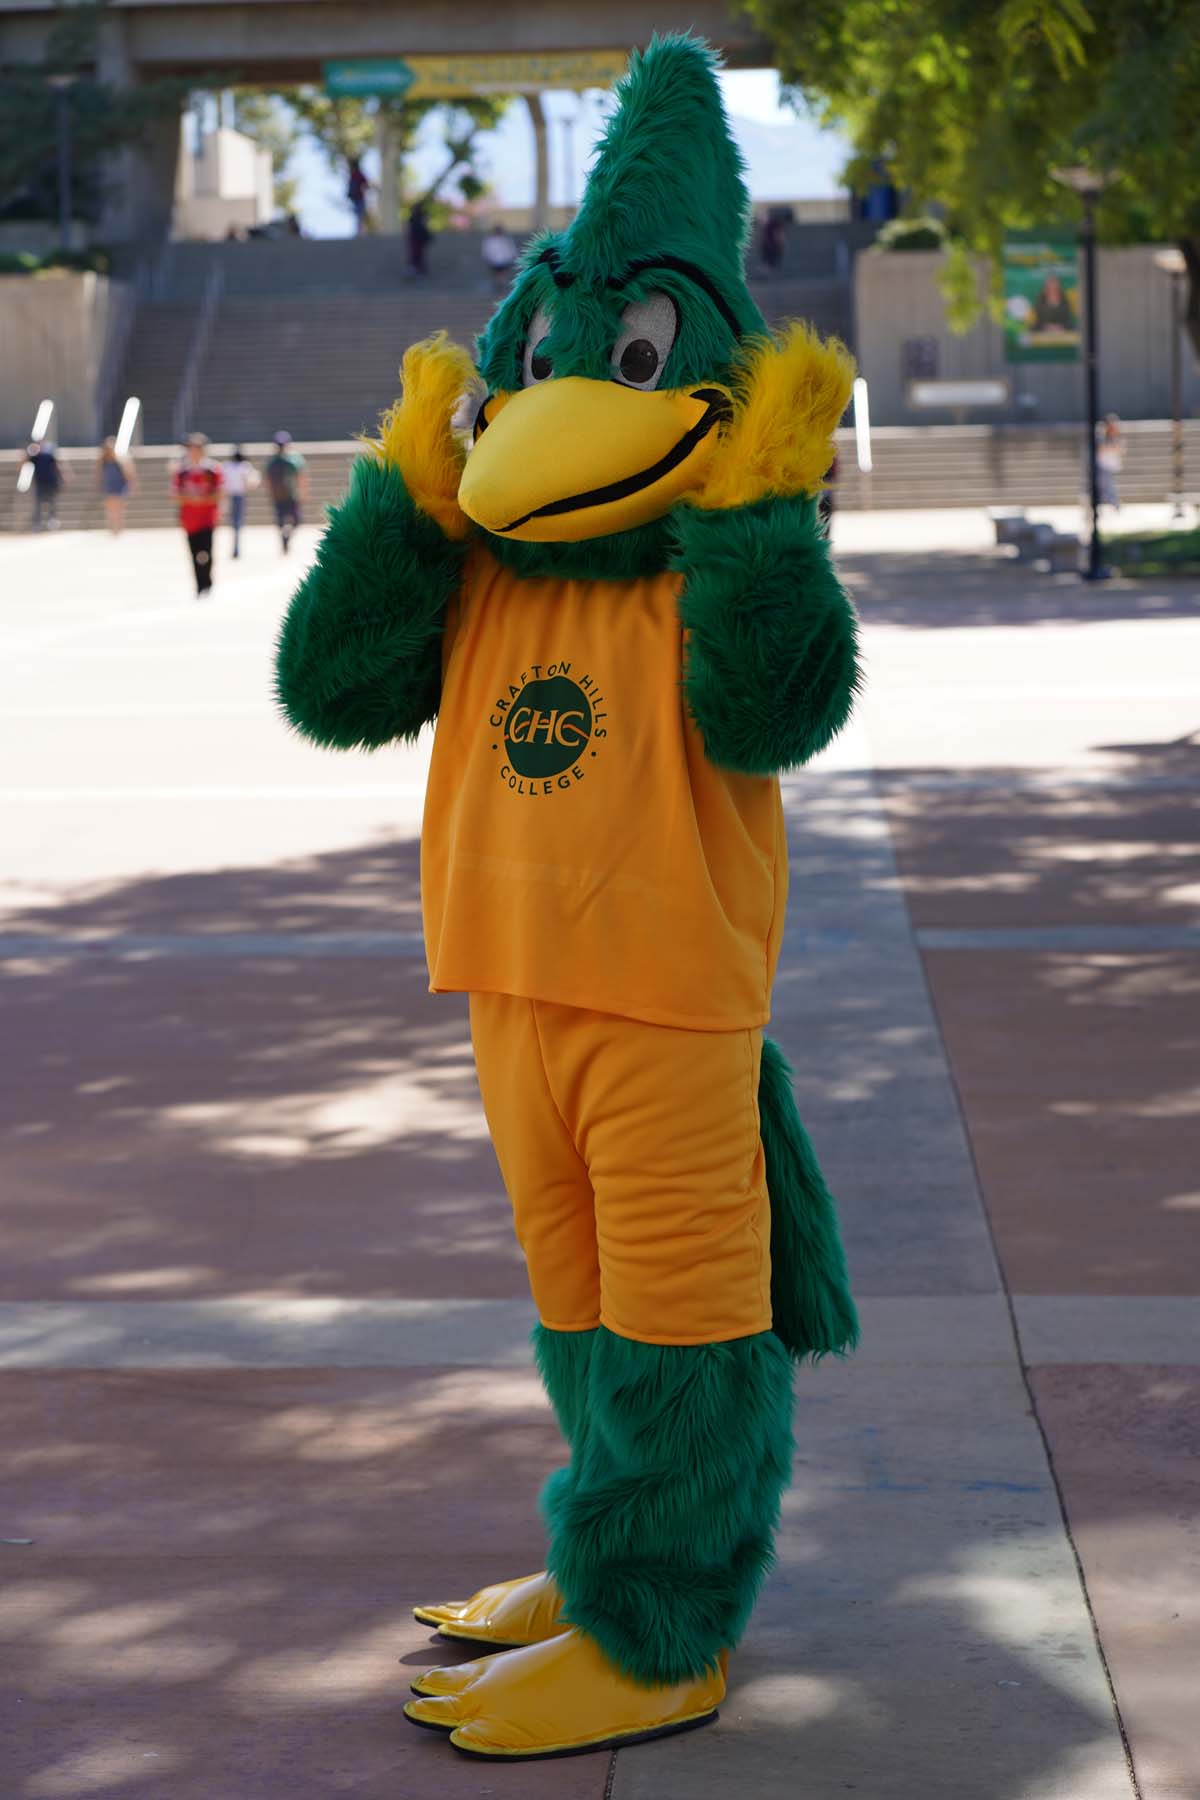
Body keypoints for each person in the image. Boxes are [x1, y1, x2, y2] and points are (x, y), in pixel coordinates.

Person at [276, 35, 859, 1764]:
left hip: (672, 1005)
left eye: (621, 350)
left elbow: (783, 706)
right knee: (584, 1308)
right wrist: (403, 484)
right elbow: (334, 684)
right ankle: (598, 1557)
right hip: (514, 994)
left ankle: (663, 1632)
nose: (565, 388)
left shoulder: (699, 555)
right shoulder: (482, 564)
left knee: (684, 1318)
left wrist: (760, 507)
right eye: (550, 349)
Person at [171, 432, 224, 597]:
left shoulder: (212, 470)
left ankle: (208, 581)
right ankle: (199, 585)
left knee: (206, 552)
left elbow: (219, 493)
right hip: (190, 521)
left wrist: (200, 499)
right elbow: (175, 495)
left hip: (207, 519)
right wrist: (193, 499)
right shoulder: (182, 472)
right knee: (194, 554)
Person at [263, 431, 308, 554]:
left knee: (292, 520)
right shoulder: (276, 461)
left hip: (287, 495)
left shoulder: (291, 460)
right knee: (286, 520)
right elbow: (268, 479)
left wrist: (302, 492)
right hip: (284, 495)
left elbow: (300, 477)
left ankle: (286, 537)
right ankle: (285, 538)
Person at [222, 444, 259, 558]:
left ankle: (235, 548)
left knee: (234, 523)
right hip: (238, 496)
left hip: (230, 496)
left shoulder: (227, 466)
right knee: (237, 523)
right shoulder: (244, 466)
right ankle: (236, 548)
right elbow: (251, 482)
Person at [23, 440, 67, 530]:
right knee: (38, 504)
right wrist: (28, 452)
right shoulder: (35, 457)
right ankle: (37, 523)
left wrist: (63, 477)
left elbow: (57, 466)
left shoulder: (48, 455)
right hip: (40, 483)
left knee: (52, 502)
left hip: (51, 482)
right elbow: (24, 462)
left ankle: (52, 521)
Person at [97, 437, 137, 534]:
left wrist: (132, 486)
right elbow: (100, 474)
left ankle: (119, 528)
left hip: (119, 486)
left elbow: (128, 474)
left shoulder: (120, 460)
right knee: (110, 509)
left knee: (119, 509)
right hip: (109, 486)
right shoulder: (103, 460)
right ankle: (112, 528)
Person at [481, 220, 518, 293]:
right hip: (494, 261)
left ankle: (501, 286)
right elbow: (487, 250)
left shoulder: (506, 239)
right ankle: (499, 286)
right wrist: (489, 258)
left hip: (504, 260)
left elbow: (511, 249)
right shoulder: (490, 240)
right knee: (497, 275)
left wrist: (512, 257)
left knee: (502, 274)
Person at [1097, 413, 1124, 510]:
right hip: (1103, 465)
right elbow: (1101, 450)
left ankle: (1114, 503)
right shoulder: (1102, 437)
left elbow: (1120, 449)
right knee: (1106, 486)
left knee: (1107, 486)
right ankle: (1114, 503)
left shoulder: (1116, 437)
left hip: (1111, 465)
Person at [407, 198, 432, 277]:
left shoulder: (419, 215)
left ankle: (418, 269)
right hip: (416, 237)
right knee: (416, 253)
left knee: (418, 253)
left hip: (418, 237)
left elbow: (425, 224)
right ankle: (416, 269)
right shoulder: (415, 217)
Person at [347, 157, 371, 235]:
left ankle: (361, 232)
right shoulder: (353, 175)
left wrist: (361, 190)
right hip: (356, 199)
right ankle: (360, 232)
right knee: (359, 215)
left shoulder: (358, 174)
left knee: (360, 215)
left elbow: (366, 184)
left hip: (360, 198)